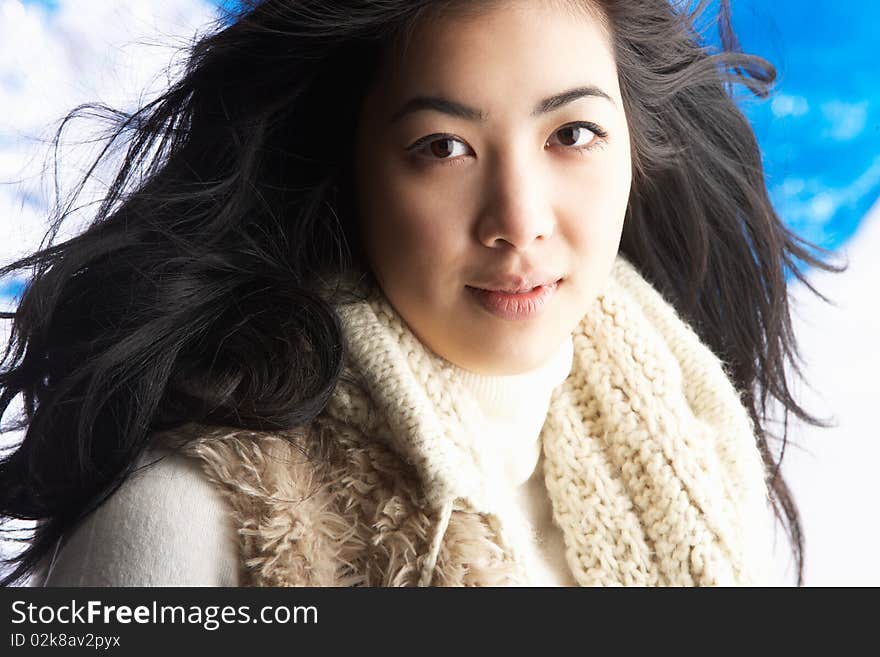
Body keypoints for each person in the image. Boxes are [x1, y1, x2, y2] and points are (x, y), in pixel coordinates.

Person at [0, 0, 842, 587]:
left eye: (572, 133)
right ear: (349, 170)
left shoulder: (693, 445)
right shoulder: (186, 519)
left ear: (637, 147)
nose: (519, 220)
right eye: (443, 147)